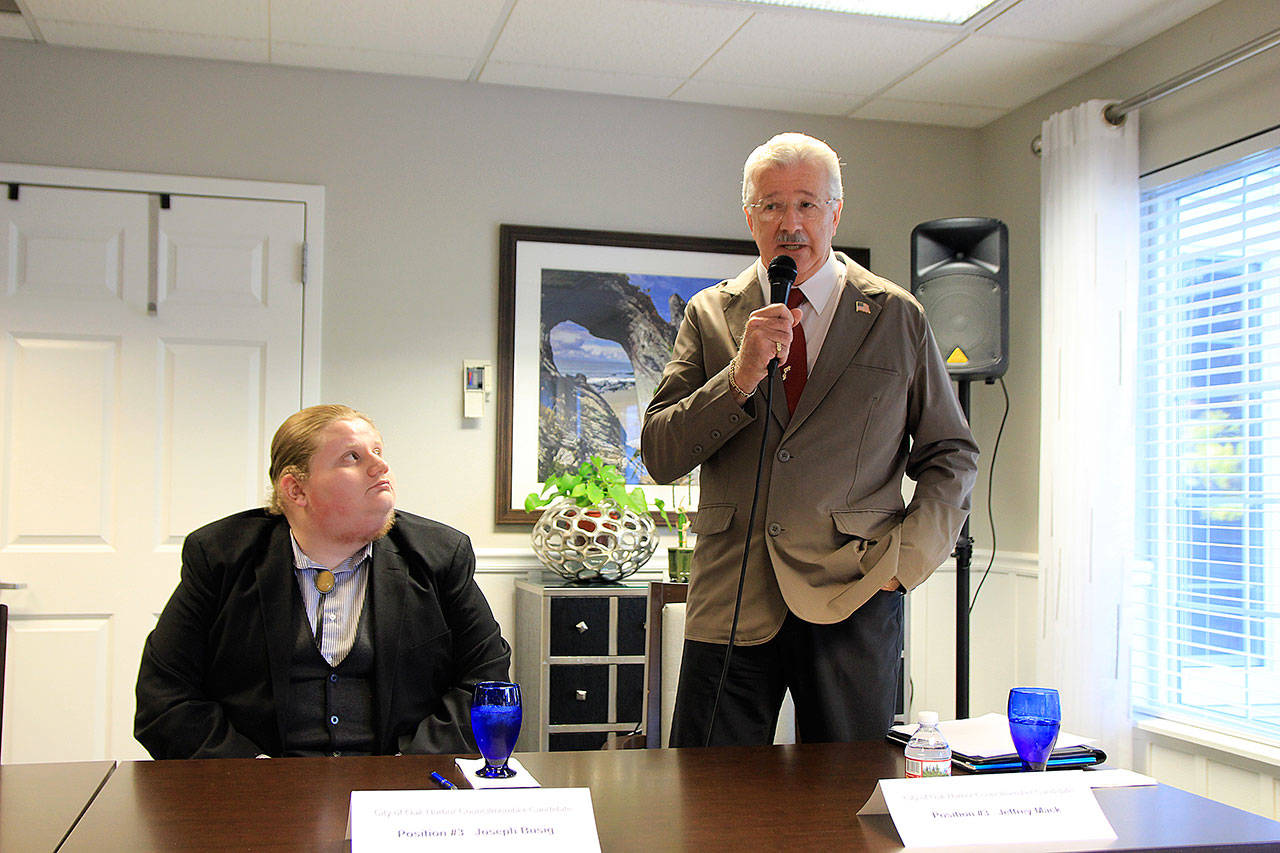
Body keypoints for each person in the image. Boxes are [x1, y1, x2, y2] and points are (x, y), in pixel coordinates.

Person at [641, 132, 978, 746]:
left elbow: (950, 454)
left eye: (806, 204)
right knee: (708, 805)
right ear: (750, 218)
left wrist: (903, 566)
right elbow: (660, 454)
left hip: (855, 589)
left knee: (847, 801)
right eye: (771, 205)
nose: (790, 223)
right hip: (731, 594)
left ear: (835, 212)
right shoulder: (711, 314)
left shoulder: (896, 316)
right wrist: (738, 378)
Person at [135, 404, 511, 758]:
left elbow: (486, 682)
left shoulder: (439, 553)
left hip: (403, 790)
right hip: (257, 792)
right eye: (353, 457)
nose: (381, 466)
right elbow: (164, 699)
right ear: (295, 489)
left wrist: (405, 768)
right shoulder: (220, 555)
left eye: (378, 451)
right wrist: (254, 775)